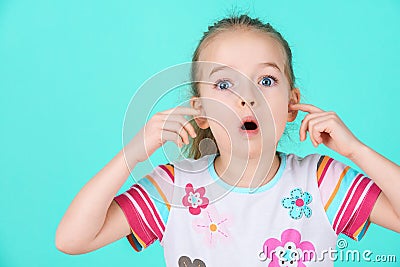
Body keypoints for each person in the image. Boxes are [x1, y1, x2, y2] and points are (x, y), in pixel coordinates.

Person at [55, 14, 400, 266]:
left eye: (266, 80)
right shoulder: (175, 188)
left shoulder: (323, 182)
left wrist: (357, 150)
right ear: (200, 111)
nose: (247, 97)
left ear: (292, 104)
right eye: (224, 84)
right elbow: (72, 239)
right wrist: (135, 151)